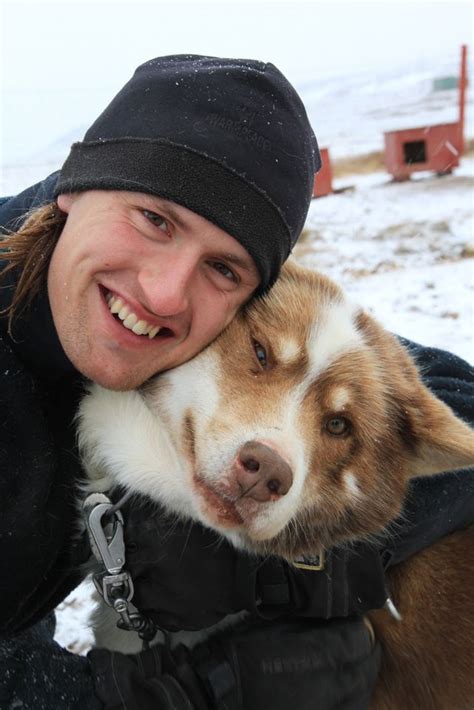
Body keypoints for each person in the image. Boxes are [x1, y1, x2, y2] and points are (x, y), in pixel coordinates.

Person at [0, 54, 472, 710]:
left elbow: (427, 392)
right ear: (73, 187)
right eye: (154, 219)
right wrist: (168, 696)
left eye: (222, 268)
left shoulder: (184, 328)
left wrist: (324, 543)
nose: (164, 294)